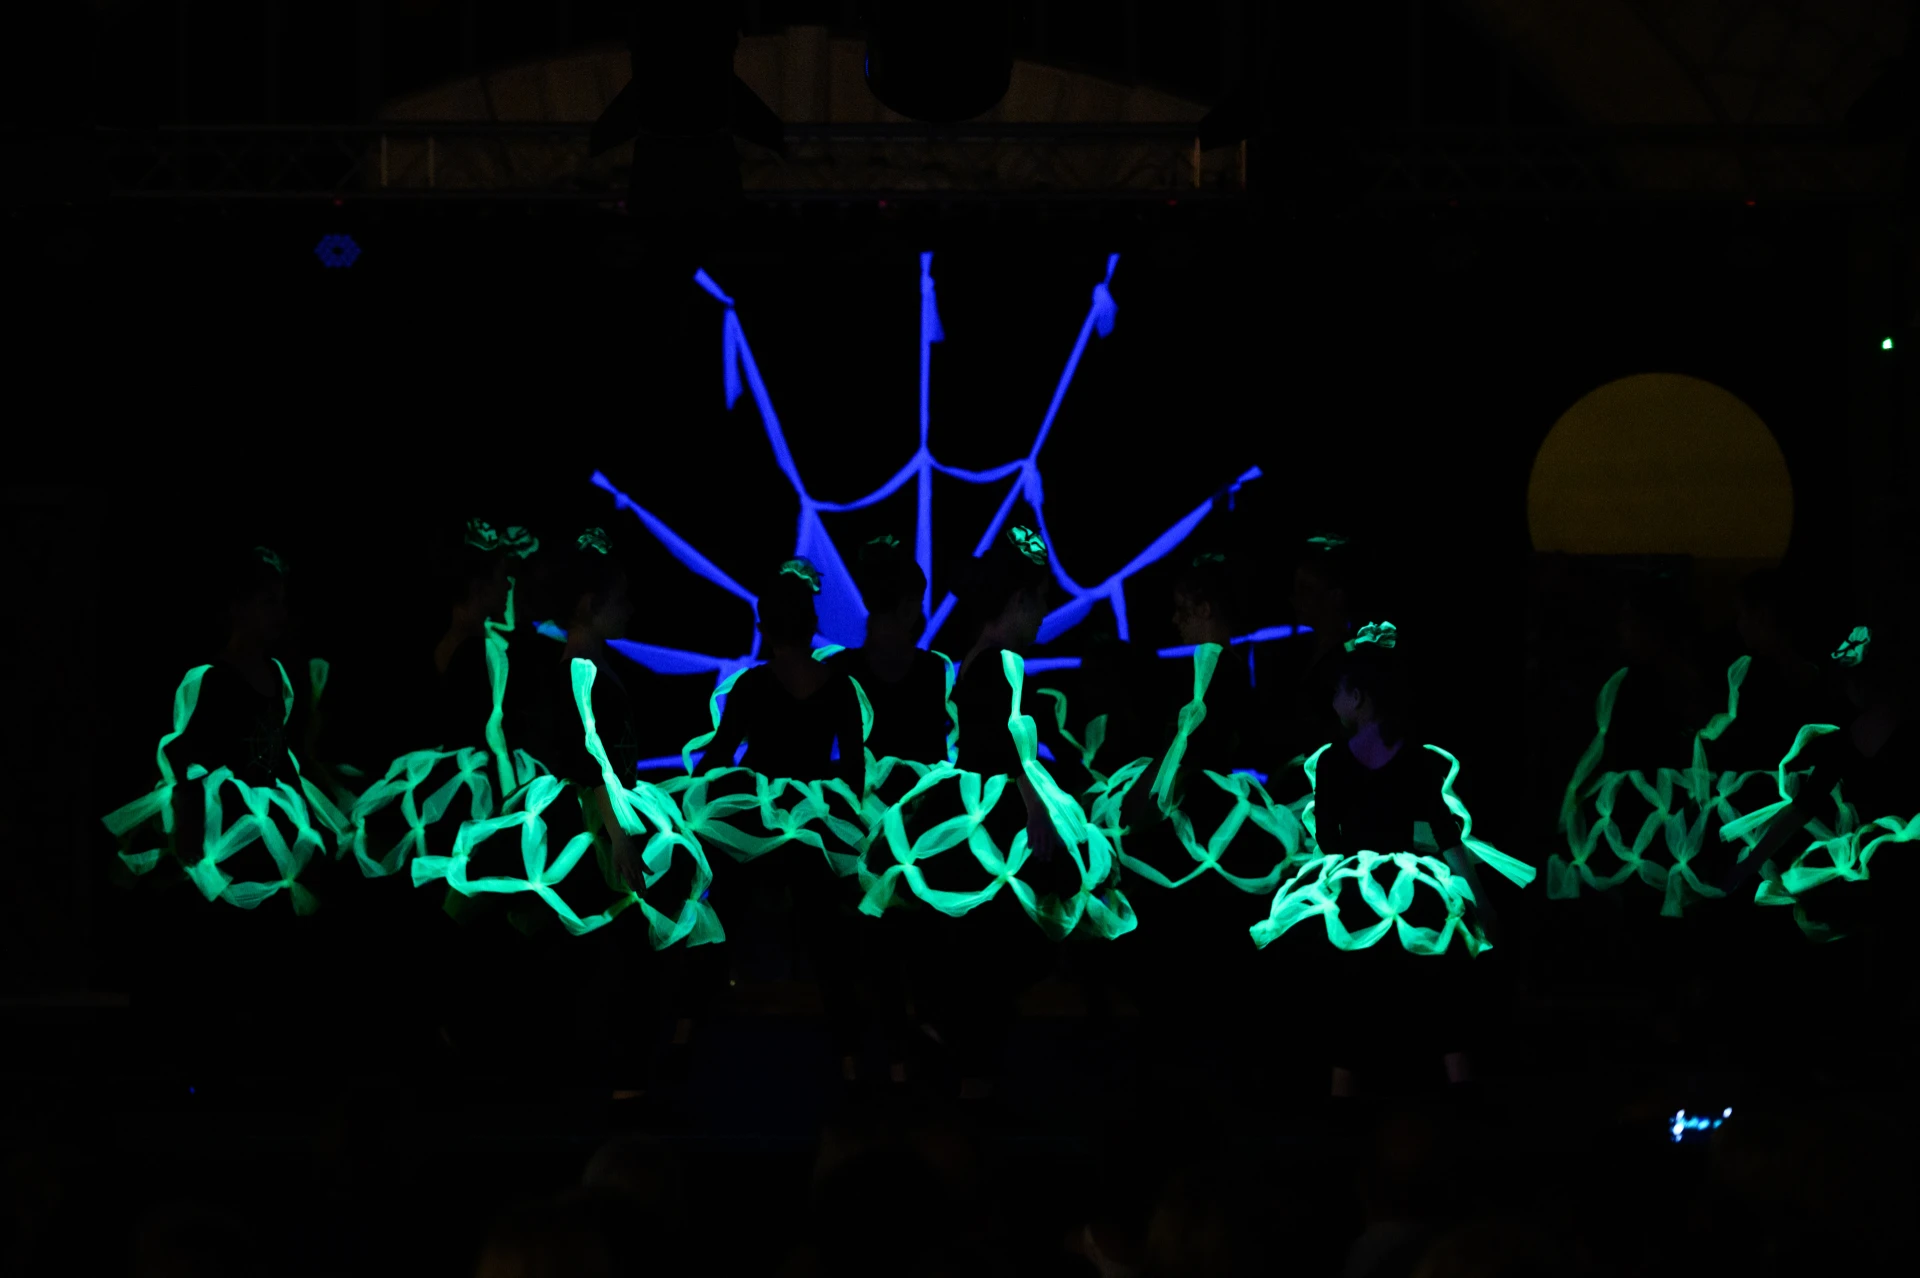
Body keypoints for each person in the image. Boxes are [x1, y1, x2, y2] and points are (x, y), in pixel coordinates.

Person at [1297, 626, 1509, 1100]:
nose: (1333, 702)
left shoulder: (1332, 762)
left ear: (1357, 697)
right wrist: (1482, 903)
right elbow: (1446, 836)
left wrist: (1330, 883)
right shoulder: (1416, 757)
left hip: (1354, 890)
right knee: (1440, 996)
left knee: (1350, 1002)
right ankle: (1463, 1098)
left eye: (1337, 692)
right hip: (1413, 890)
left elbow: (1328, 840)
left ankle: (1343, 1104)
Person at [698, 558, 871, 1084]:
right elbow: (855, 770)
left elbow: (719, 755)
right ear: (812, 624)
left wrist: (688, 801)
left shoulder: (753, 684)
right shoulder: (840, 686)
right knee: (827, 938)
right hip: (814, 825)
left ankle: (687, 1035)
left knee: (719, 920)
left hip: (757, 822)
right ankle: (851, 1057)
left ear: (764, 628)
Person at [827, 535, 952, 769]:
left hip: (857, 792)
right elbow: (937, 756)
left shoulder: (840, 668)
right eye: (919, 604)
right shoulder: (932, 669)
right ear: (907, 607)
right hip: (920, 791)